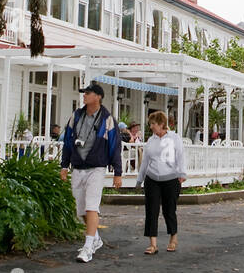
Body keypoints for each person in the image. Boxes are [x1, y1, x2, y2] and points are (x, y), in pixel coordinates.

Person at [60, 82, 123, 263]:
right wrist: (64, 165)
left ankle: (88, 247)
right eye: (84, 93)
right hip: (78, 167)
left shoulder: (107, 119)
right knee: (80, 210)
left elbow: (114, 146)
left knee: (91, 206)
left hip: (97, 167)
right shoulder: (76, 116)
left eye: (88, 93)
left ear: (98, 97)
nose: (84, 96)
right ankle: (95, 238)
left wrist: (117, 172)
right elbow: (67, 143)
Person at [136, 111, 186, 254]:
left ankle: (173, 238)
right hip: (152, 179)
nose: (151, 126)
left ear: (161, 124)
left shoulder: (174, 138)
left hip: (171, 178)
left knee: (169, 210)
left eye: (153, 124)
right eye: (150, 124)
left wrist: (182, 173)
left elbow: (181, 156)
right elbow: (145, 161)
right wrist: (139, 180)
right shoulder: (151, 141)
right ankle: (153, 244)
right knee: (151, 210)